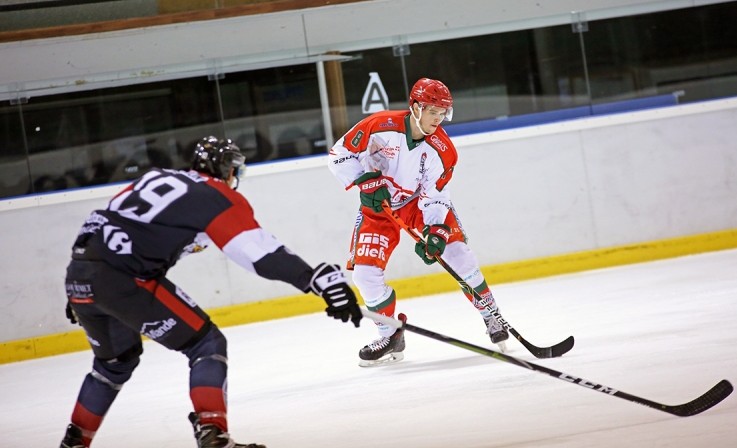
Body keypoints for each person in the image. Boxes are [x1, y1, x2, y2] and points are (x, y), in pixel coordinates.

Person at [59, 136, 362, 448]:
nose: (235, 178)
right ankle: (212, 432)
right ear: (224, 169)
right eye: (234, 170)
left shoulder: (156, 178)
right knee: (206, 344)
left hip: (80, 273)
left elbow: (105, 223)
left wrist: (83, 288)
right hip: (123, 279)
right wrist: (315, 279)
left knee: (114, 364)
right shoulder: (212, 195)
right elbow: (259, 253)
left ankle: (75, 442)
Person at [327, 78, 509, 366]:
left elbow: (435, 193)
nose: (437, 119)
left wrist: (435, 229)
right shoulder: (379, 125)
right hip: (378, 207)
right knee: (364, 275)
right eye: (432, 111)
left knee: (458, 254)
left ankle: (491, 314)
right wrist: (364, 182)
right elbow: (339, 154)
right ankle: (390, 335)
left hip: (417, 204)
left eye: (442, 113)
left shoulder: (443, 149)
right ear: (415, 107)